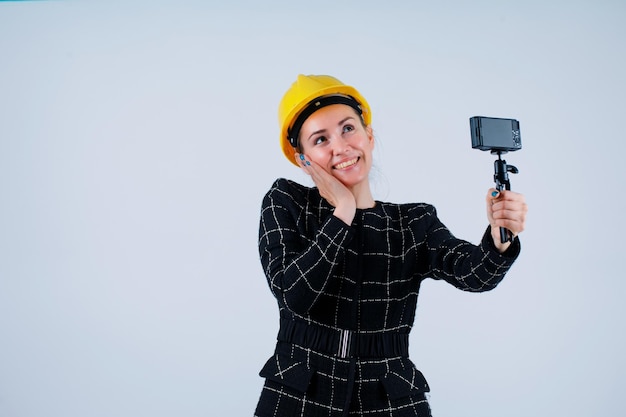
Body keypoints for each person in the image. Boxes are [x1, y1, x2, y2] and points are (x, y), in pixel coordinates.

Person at [254, 74, 528, 417]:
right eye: (320, 139)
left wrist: (500, 236)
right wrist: (343, 211)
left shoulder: (413, 222)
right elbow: (293, 294)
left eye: (348, 128)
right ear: (303, 159)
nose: (340, 147)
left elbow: (475, 275)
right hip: (300, 397)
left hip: (390, 399)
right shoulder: (287, 202)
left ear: (369, 136)